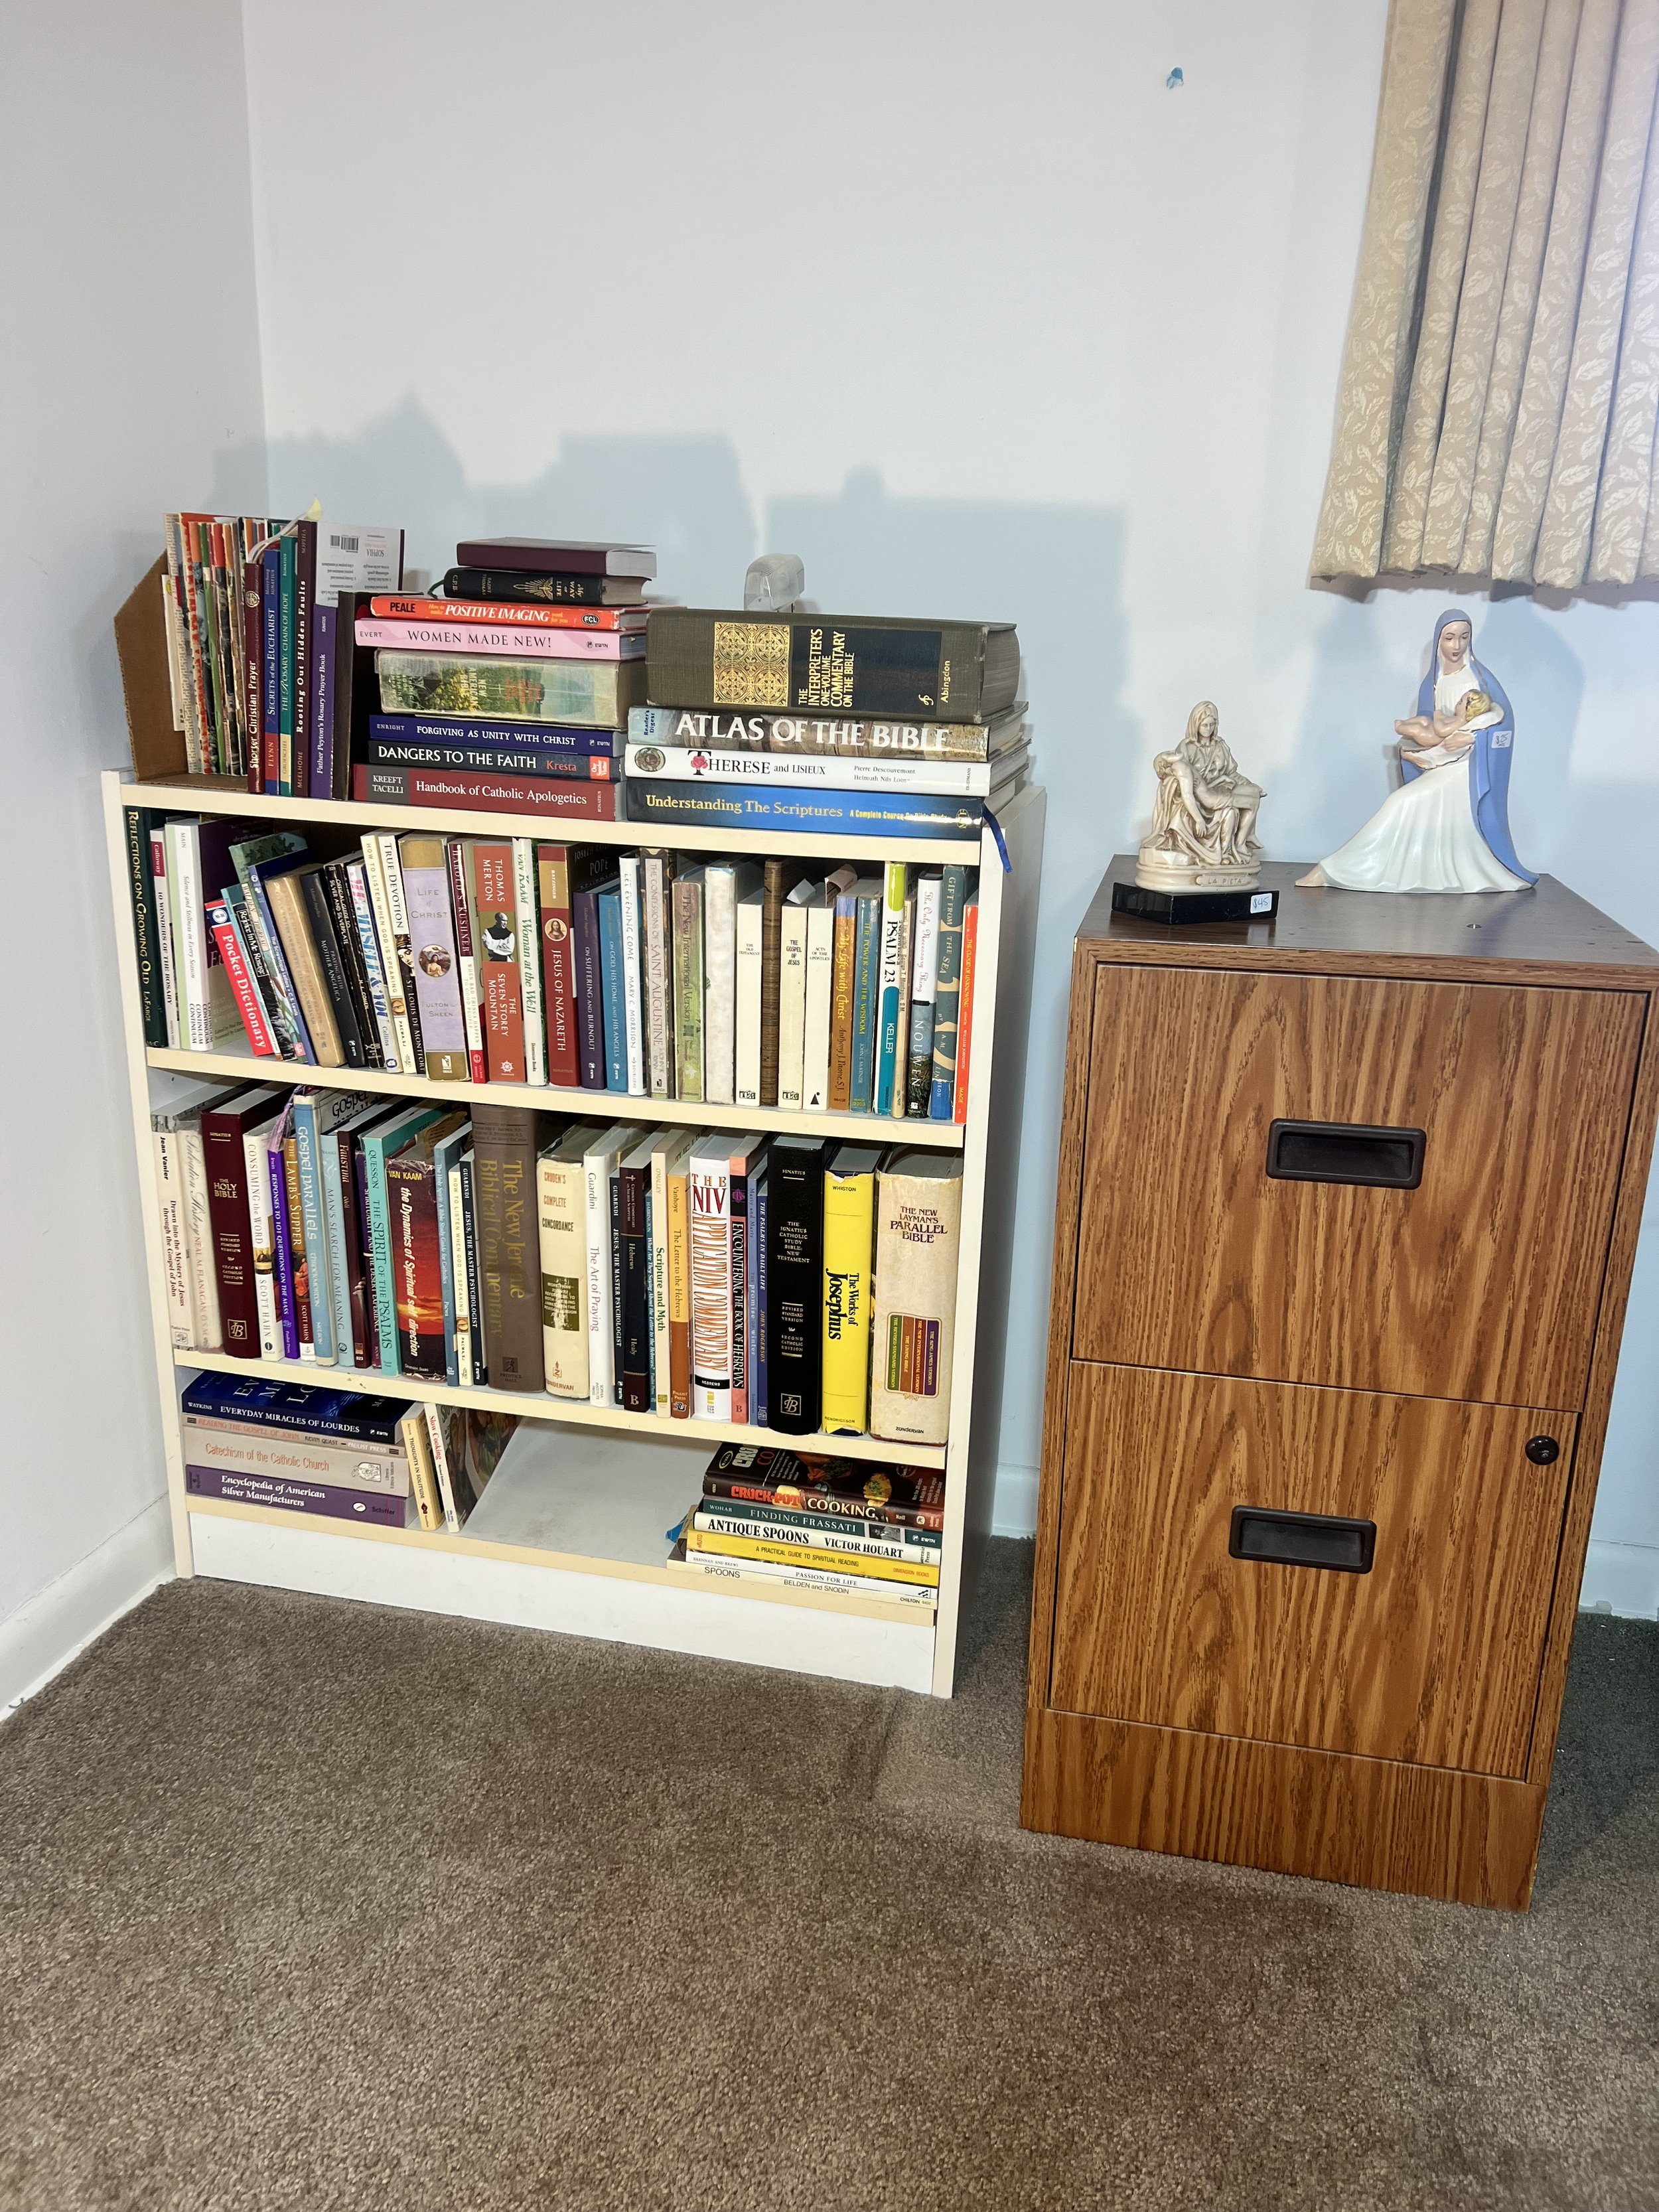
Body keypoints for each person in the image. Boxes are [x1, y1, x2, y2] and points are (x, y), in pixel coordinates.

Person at [1297, 611, 1536, 893]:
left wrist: (1474, 738)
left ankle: (1335, 870)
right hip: (1444, 765)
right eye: (1449, 638)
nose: (1457, 645)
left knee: (1401, 802)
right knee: (1401, 799)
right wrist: (1417, 749)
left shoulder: (1481, 679)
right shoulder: (1432, 685)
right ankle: (1339, 869)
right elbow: (1429, 730)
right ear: (1438, 642)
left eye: (1464, 637)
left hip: (1469, 772)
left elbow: (1502, 720)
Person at [1145, 701, 1263, 871]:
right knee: (1246, 805)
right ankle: (1241, 844)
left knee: (1254, 793)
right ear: (1196, 725)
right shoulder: (1185, 750)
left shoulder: (1221, 746)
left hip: (1220, 788)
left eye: (1212, 724)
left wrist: (1250, 785)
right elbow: (1184, 787)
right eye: (1204, 725)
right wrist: (1199, 819)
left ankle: (1244, 840)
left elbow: (1232, 774)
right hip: (1202, 801)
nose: (1208, 728)